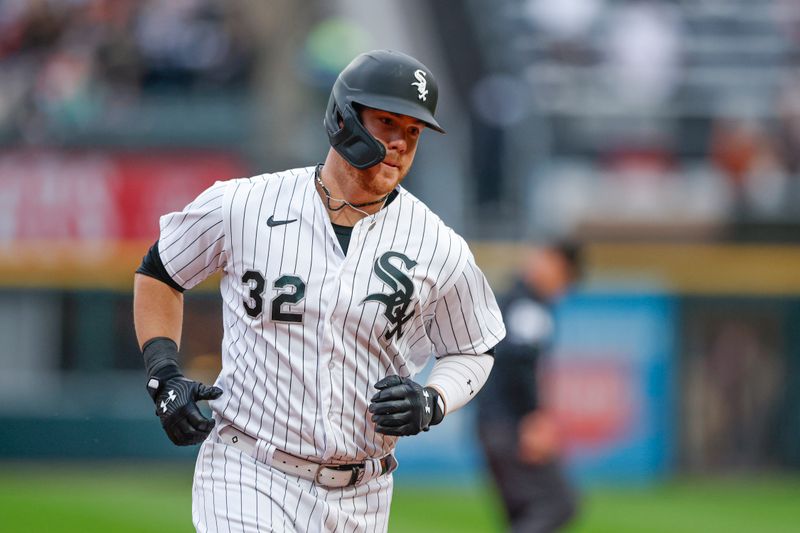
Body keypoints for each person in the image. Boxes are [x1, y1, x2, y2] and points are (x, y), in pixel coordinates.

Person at [132, 49, 506, 532]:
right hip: (249, 468)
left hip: (363, 494)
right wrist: (163, 374)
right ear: (344, 117)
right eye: (387, 122)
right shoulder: (244, 204)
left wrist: (432, 399)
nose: (400, 143)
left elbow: (474, 349)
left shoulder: (438, 245)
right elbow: (160, 271)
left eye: (413, 131)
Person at [477, 242, 581, 533]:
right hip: (510, 424)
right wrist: (533, 416)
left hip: (493, 423)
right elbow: (517, 362)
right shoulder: (529, 304)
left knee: (524, 512)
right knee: (558, 504)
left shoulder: (512, 299)